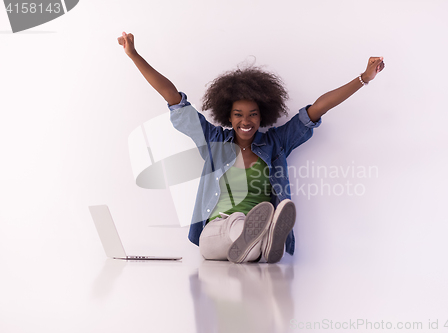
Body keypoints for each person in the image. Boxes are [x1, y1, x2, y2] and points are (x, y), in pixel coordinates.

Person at [118, 31, 384, 264]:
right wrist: (134, 55)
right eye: (238, 114)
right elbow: (172, 97)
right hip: (217, 231)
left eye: (253, 114)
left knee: (248, 238)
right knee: (235, 228)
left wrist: (364, 78)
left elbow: (318, 107)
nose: (246, 121)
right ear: (228, 116)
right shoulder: (213, 141)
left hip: (251, 234)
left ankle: (259, 241)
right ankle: (263, 240)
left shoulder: (276, 142)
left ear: (262, 115)